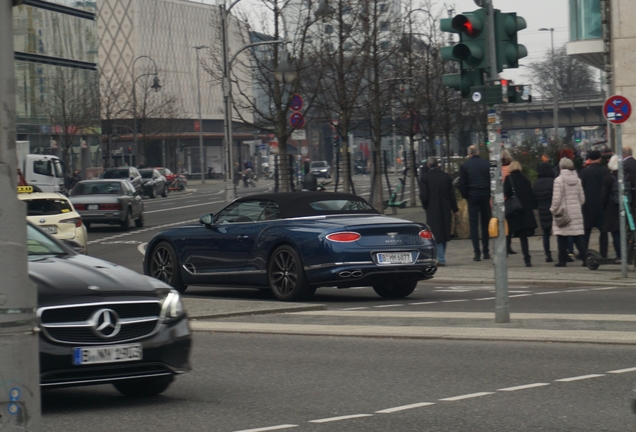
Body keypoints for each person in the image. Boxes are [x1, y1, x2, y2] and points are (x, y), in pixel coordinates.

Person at [419, 157, 458, 266]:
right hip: (445, 208)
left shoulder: (425, 178)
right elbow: (452, 196)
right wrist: (455, 209)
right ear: (437, 165)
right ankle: (441, 257)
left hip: (432, 209)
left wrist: (425, 206)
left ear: (428, 165)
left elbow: (423, 196)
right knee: (444, 233)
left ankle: (441, 259)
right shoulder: (446, 177)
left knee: (436, 234)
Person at [550, 157, 586, 267]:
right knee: (578, 236)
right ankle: (586, 258)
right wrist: (576, 206)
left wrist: (552, 209)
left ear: (561, 167)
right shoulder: (578, 180)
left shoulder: (558, 180)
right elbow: (582, 199)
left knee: (561, 236)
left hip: (563, 212)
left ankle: (562, 260)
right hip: (576, 211)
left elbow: (557, 198)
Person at [458, 145, 491, 261]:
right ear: (478, 152)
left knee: (474, 224)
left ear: (469, 153)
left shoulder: (465, 166)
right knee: (485, 223)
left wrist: (466, 195)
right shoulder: (487, 164)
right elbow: (491, 179)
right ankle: (486, 251)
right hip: (485, 195)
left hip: (472, 195)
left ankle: (477, 252)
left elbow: (461, 183)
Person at [601, 155, 636, 261]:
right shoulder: (629, 177)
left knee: (615, 232)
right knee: (627, 232)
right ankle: (628, 253)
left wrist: (603, 208)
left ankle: (620, 254)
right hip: (627, 207)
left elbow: (604, 196)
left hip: (612, 209)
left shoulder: (608, 178)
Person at [504, 161, 537, 267]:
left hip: (513, 212)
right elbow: (532, 197)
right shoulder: (525, 180)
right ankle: (527, 259)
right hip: (524, 212)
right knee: (523, 237)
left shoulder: (509, 180)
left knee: (507, 234)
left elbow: (503, 193)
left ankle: (503, 257)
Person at [579, 150, 609, 257]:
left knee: (586, 232)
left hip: (588, 206)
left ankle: (584, 254)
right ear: (600, 159)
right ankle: (604, 253)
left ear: (589, 160)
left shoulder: (584, 172)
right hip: (602, 205)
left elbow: (580, 189)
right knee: (603, 232)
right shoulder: (605, 172)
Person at [533, 162, 556, 262]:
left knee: (546, 233)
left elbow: (533, 199)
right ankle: (564, 253)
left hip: (542, 210)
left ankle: (548, 254)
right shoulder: (554, 181)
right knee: (560, 232)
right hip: (554, 209)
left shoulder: (536, 184)